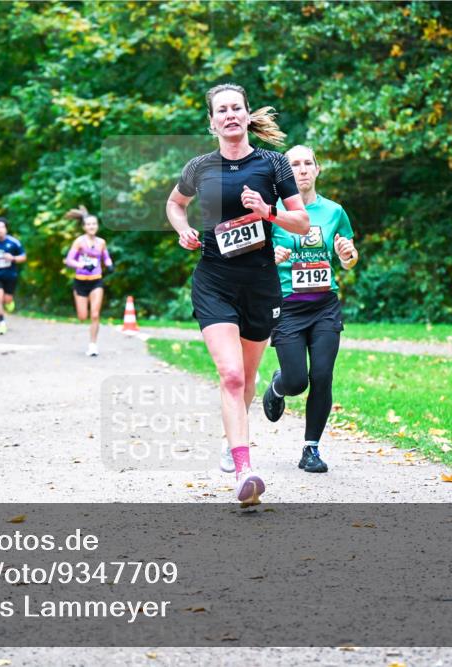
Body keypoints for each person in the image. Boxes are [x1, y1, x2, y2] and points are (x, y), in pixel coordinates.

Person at [165, 83, 310, 506]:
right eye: (221, 110)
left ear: (247, 116)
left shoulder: (273, 164)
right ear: (212, 122)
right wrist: (184, 230)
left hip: (261, 282)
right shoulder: (199, 167)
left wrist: (268, 212)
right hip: (214, 280)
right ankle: (245, 468)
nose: (229, 115)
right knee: (230, 375)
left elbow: (301, 223)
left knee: (245, 378)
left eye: (236, 108)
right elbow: (175, 204)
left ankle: (234, 437)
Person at [263, 145, 359, 474]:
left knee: (322, 375)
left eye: (308, 163)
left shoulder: (334, 212)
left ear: (317, 170)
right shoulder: (272, 212)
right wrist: (269, 259)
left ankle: (311, 449)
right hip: (287, 307)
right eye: (295, 165)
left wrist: (348, 255)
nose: (302, 169)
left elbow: (347, 257)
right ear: (285, 174)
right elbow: (251, 261)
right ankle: (277, 387)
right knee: (296, 380)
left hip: (324, 307)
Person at [64, 206, 114, 357]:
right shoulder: (79, 242)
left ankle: (93, 345)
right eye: (89, 224)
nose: (92, 226)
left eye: (94, 224)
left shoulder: (101, 242)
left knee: (95, 314)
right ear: (84, 227)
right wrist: (81, 264)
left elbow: (105, 256)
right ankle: (90, 339)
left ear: (97, 226)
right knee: (82, 317)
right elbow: (69, 260)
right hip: (80, 282)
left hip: (96, 281)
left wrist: (110, 264)